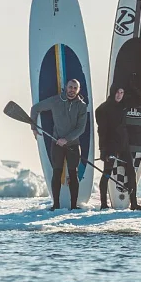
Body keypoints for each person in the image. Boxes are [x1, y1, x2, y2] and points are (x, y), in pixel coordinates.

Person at [30, 79, 87, 210]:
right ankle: (56, 205)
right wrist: (33, 127)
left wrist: (66, 139)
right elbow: (35, 108)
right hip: (56, 143)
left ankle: (74, 206)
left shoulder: (82, 106)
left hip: (73, 144)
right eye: (70, 87)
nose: (72, 90)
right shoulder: (55, 101)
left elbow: (81, 128)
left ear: (78, 90)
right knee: (57, 172)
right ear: (66, 87)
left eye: (75, 88)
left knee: (73, 173)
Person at [95, 82, 141, 211]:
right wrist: (103, 150)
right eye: (117, 92)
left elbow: (140, 100)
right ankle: (103, 204)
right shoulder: (102, 109)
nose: (119, 95)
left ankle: (134, 203)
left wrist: (131, 87)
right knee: (107, 173)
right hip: (110, 145)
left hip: (124, 145)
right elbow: (102, 131)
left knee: (131, 173)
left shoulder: (124, 104)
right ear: (112, 92)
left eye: (122, 93)